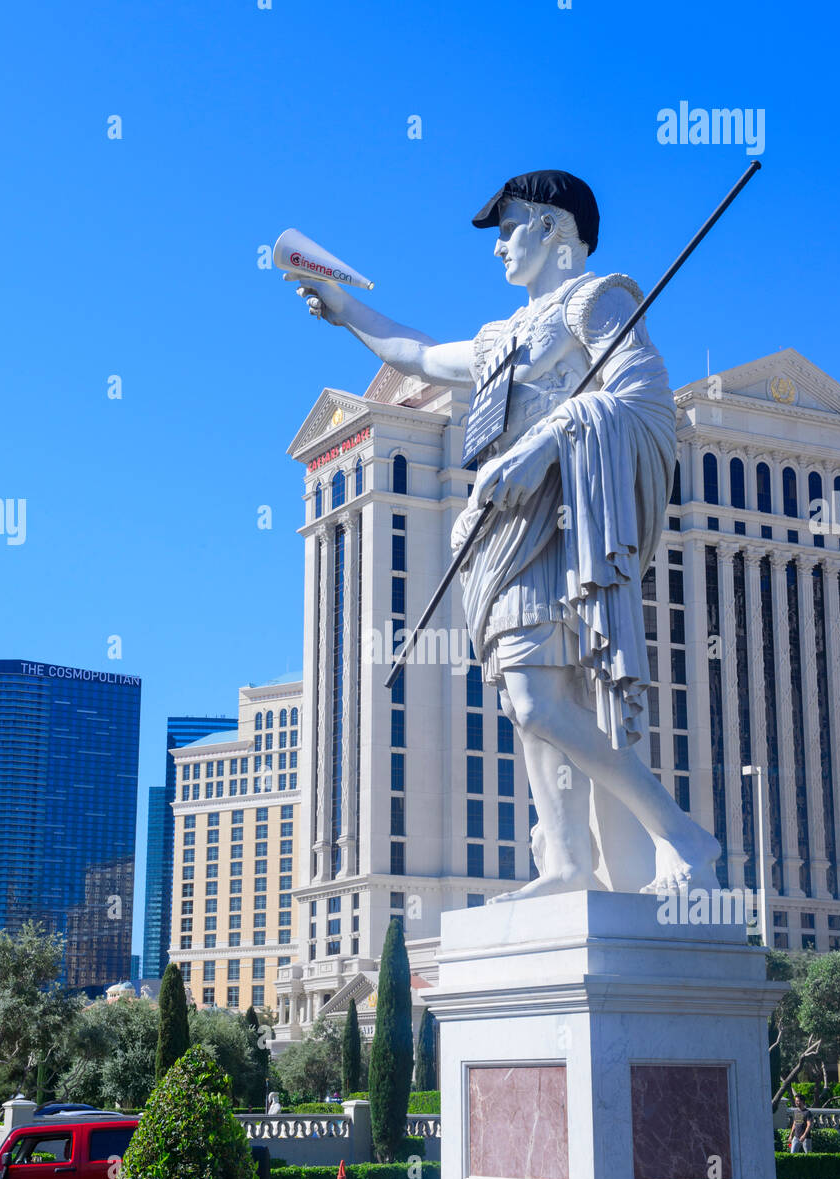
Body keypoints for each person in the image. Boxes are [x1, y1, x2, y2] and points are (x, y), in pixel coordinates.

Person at [293, 170, 720, 899]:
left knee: (536, 700)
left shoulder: (598, 300)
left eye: (508, 229)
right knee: (531, 703)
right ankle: (567, 864)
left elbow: (644, 401)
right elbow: (419, 356)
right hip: (499, 533)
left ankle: (677, 832)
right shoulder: (502, 337)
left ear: (553, 229)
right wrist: (345, 310)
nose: (498, 249)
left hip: (564, 525)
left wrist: (549, 441)